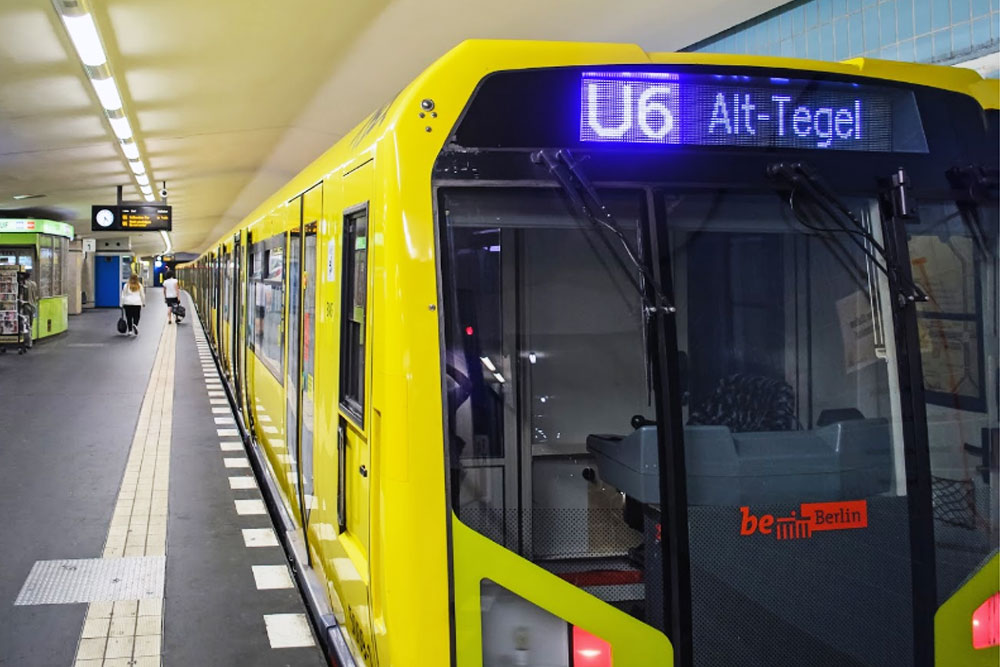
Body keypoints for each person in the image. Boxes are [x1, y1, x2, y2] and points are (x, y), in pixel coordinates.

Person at [18, 269, 38, 349]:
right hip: (33, 306)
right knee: (30, 324)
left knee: (26, 324)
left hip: (26, 306)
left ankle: (28, 342)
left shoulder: (24, 285)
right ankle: (30, 341)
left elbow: (21, 296)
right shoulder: (34, 284)